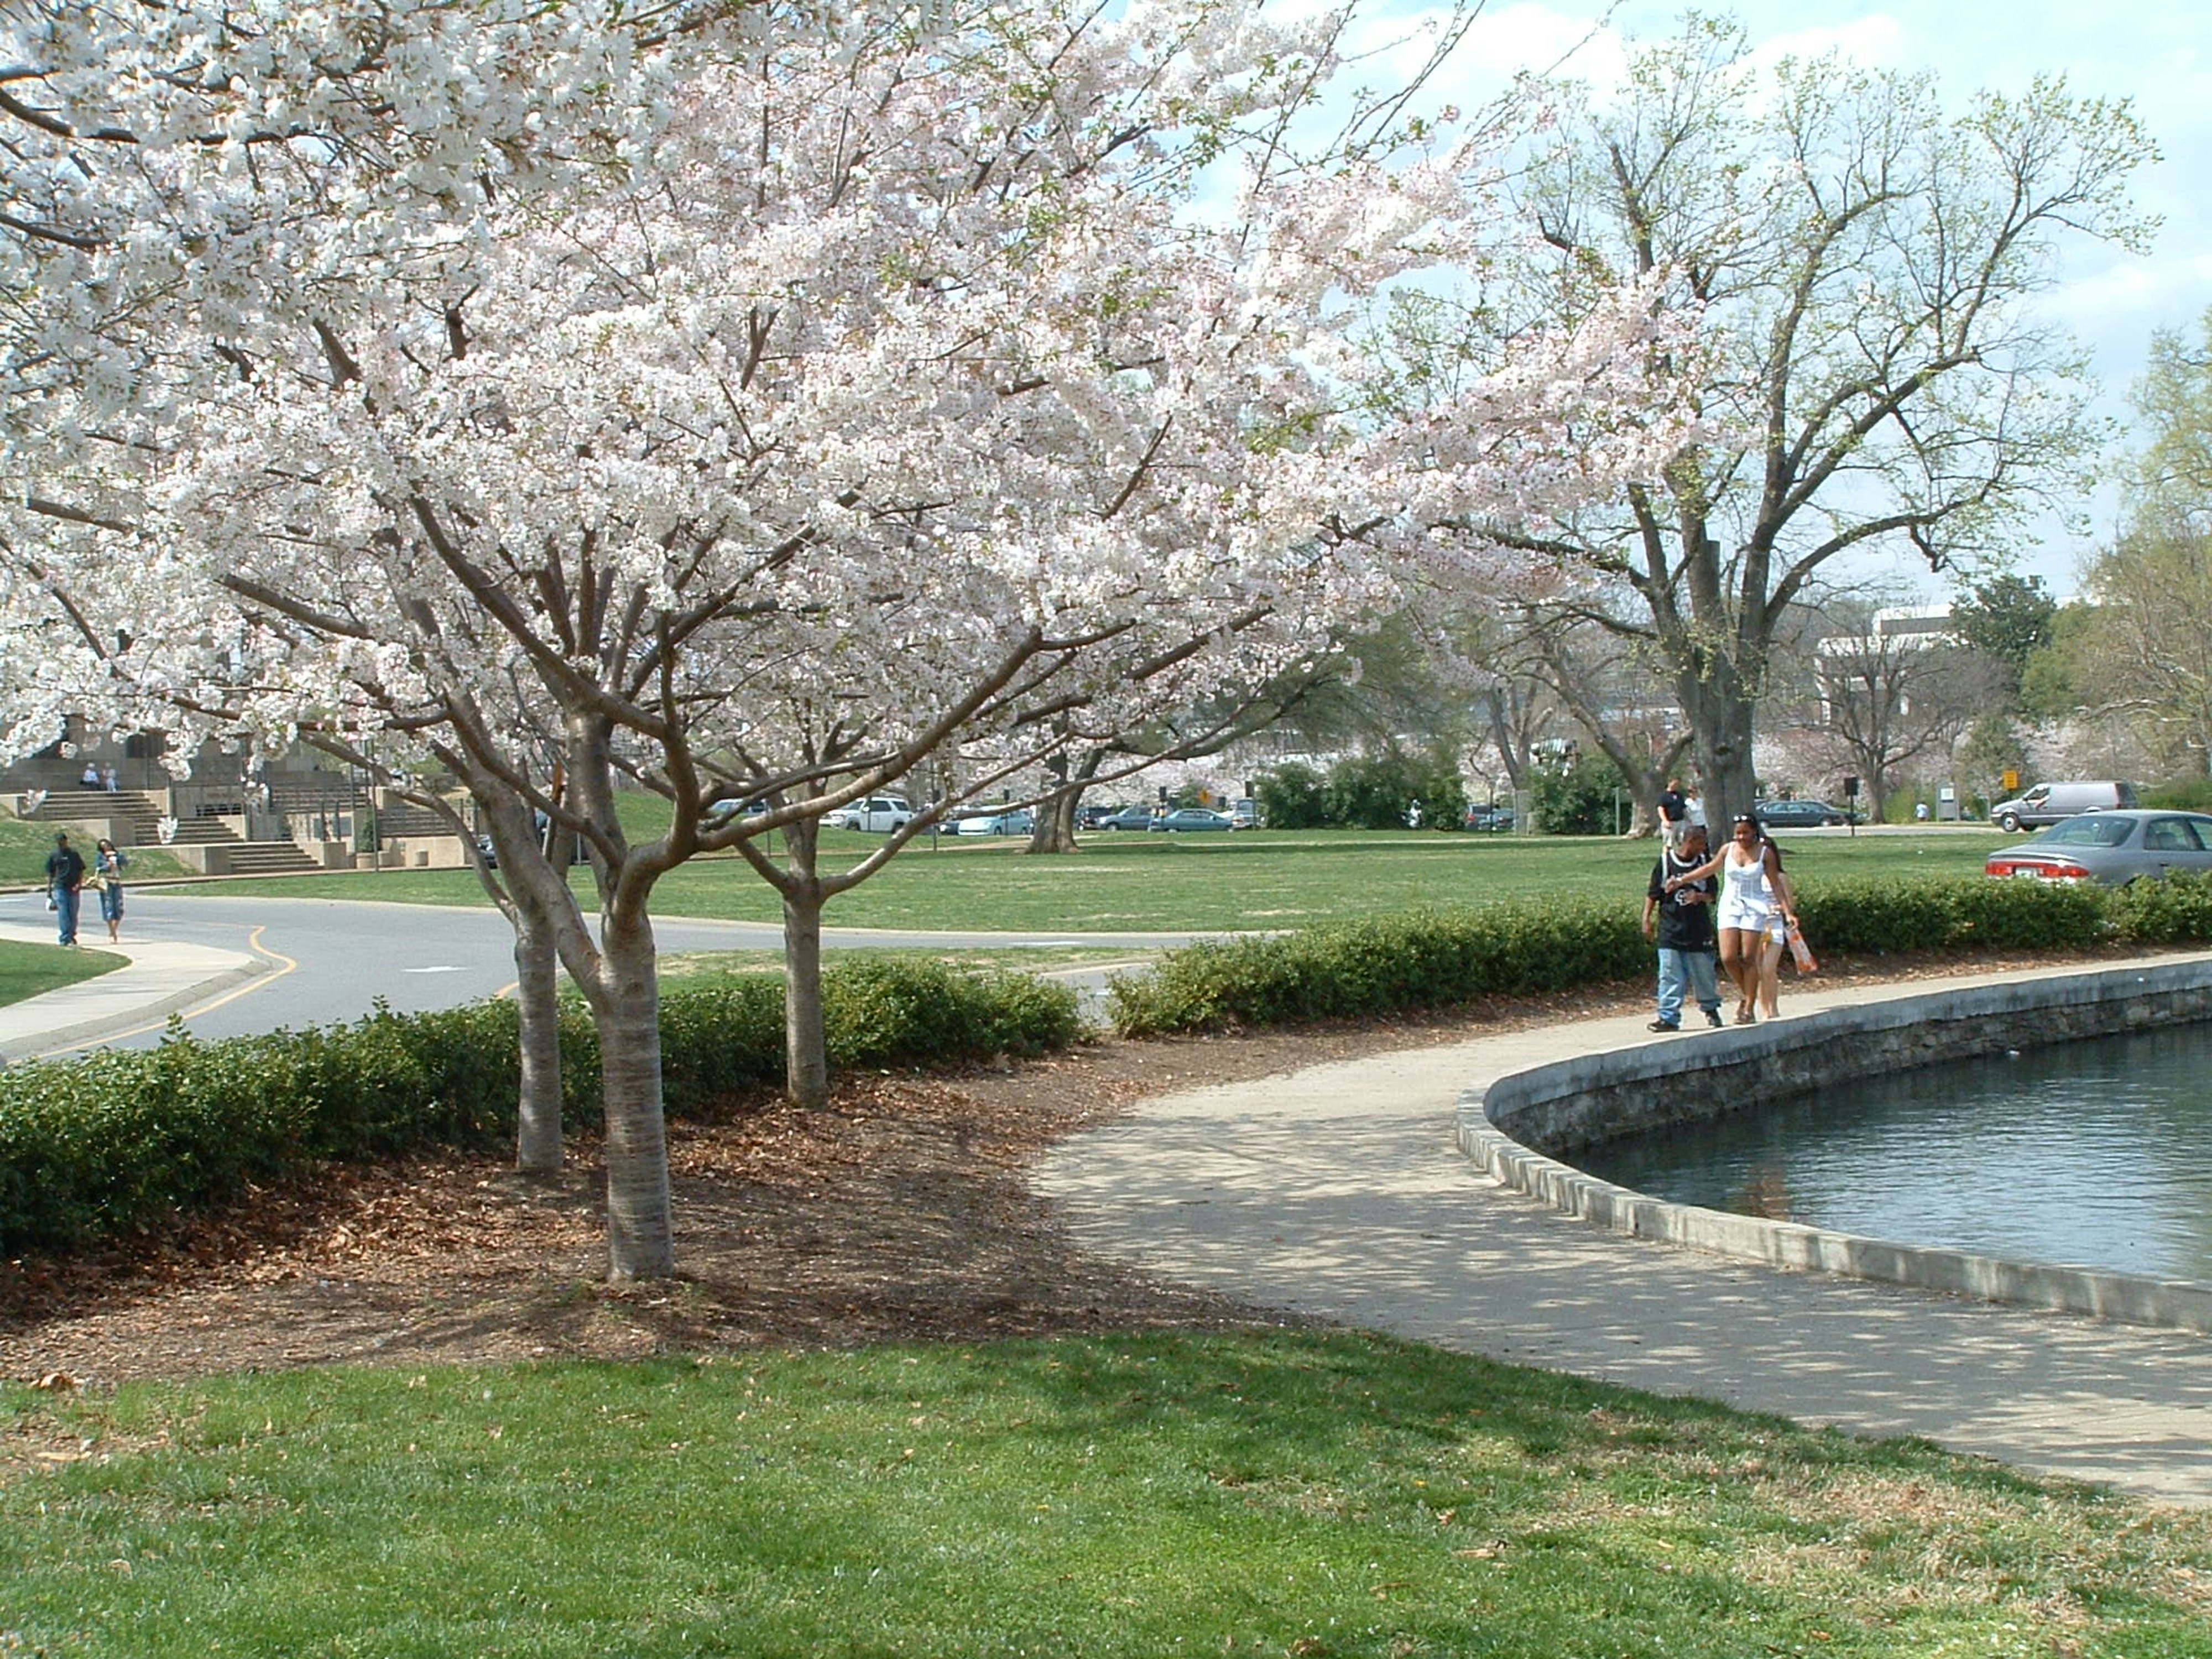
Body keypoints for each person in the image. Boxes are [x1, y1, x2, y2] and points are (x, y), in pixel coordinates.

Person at [1668, 812, 1798, 1024]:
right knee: (1728, 957)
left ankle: (1748, 1008)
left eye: (1745, 833)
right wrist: (1682, 880)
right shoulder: (1728, 849)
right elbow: (1710, 868)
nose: (1741, 837)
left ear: (1754, 832)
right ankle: (1748, 992)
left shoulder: (1765, 853)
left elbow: (1775, 883)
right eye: (1738, 833)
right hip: (1730, 905)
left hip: (1754, 907)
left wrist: (1788, 912)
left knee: (1749, 958)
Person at [1641, 822, 1723, 1031]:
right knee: (1669, 975)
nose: (1704, 847)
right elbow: (1653, 894)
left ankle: (1711, 1009)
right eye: (1701, 843)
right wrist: (1646, 919)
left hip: (1698, 930)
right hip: (1671, 929)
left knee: (1704, 974)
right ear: (1690, 841)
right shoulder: (1666, 863)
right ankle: (1668, 1017)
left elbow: (1713, 894)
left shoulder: (1704, 864)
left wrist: (1699, 897)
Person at [44, 830, 86, 947]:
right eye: (59, 841)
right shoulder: (54, 855)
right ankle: (65, 937)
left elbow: (81, 870)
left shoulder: (74, 855)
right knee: (64, 913)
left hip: (74, 887)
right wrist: (49, 890)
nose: (61, 843)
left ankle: (72, 935)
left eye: (63, 840)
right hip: (61, 887)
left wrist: (79, 884)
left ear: (66, 841)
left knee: (73, 914)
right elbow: (51, 874)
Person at [92, 837, 128, 943]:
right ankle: (112, 932)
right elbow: (98, 868)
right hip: (106, 883)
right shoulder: (101, 857)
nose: (106, 848)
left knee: (119, 908)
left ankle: (114, 930)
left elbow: (125, 863)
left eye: (107, 845)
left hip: (116, 882)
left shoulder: (117, 855)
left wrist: (117, 858)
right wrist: (108, 864)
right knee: (109, 907)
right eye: (103, 847)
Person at [1657, 778, 1689, 849]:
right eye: (1675, 783)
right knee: (1669, 844)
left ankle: (1679, 855)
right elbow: (1661, 809)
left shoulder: (1679, 795)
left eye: (1677, 784)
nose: (1676, 785)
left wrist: (1688, 820)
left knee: (1683, 841)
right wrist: (1665, 821)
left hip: (1681, 822)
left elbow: (1684, 808)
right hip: (1670, 822)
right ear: (1670, 783)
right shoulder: (1664, 796)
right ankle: (1666, 856)